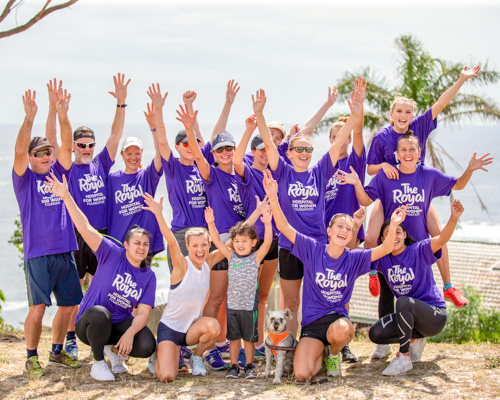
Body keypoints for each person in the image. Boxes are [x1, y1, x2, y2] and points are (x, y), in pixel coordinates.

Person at [336, 132, 493, 357]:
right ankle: (384, 344)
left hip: (416, 247)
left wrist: (469, 169)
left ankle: (416, 339)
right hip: (391, 244)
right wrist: (355, 183)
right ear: (396, 154)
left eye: (412, 149)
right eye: (404, 150)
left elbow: (457, 185)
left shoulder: (428, 175)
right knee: (388, 292)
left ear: (419, 153)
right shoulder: (386, 176)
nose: (408, 153)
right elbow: (365, 200)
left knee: (415, 294)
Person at [262, 169, 407, 381]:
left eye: (349, 229)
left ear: (351, 234)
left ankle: (334, 354)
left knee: (341, 330)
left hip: (336, 320)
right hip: (312, 324)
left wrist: (393, 225)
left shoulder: (354, 258)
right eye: (340, 226)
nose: (344, 230)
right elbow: (284, 226)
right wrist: (273, 197)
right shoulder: (312, 248)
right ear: (329, 231)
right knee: (302, 374)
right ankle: (320, 352)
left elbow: (384, 249)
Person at [365, 66, 482, 309]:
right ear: (391, 114)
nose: (403, 114)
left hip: (417, 196)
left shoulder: (418, 127)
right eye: (399, 111)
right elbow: (370, 169)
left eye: (408, 111)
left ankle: (448, 287)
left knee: (438, 237)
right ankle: (373, 271)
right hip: (389, 196)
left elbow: (441, 103)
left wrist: (461, 79)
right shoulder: (381, 137)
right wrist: (385, 165)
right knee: (371, 237)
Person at [253, 84, 363, 338]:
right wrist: (259, 114)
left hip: (317, 246)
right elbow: (269, 145)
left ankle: (332, 346)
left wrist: (355, 116)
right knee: (290, 305)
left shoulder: (320, 171)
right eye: (298, 149)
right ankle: (287, 348)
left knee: (325, 301)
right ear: (289, 154)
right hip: (290, 246)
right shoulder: (282, 171)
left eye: (308, 149)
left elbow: (337, 147)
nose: (304, 153)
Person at [44, 74, 129, 360]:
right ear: (73, 147)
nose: (86, 149)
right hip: (76, 234)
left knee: (101, 286)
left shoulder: (100, 162)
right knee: (75, 288)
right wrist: (56, 111)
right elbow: (53, 140)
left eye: (89, 144)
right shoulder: (67, 167)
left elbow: (116, 136)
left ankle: (98, 333)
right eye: (80, 145)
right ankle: (69, 338)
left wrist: (120, 103)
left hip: (101, 233)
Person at [44, 173, 156, 381]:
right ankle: (98, 362)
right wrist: (66, 196)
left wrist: (130, 334)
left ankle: (113, 351)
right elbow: (84, 227)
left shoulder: (148, 275)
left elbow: (142, 314)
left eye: (145, 244)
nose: (141, 248)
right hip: (90, 323)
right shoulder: (111, 253)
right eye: (137, 243)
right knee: (101, 314)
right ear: (126, 245)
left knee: (147, 344)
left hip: (119, 323)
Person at [13, 88, 82, 375]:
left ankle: (56, 351)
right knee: (38, 309)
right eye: (38, 153)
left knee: (68, 306)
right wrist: (30, 118)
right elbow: (18, 151)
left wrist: (63, 116)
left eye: (46, 152)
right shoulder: (24, 180)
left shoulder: (59, 173)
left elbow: (66, 146)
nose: (44, 156)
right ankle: (31, 357)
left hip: (64, 251)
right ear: (30, 157)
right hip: (38, 254)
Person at [177, 100, 246, 371]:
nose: (226, 152)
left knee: (235, 298)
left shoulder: (244, 173)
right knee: (216, 296)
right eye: (221, 149)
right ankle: (210, 349)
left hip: (242, 243)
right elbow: (197, 154)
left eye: (230, 147)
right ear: (214, 154)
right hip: (220, 238)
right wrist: (188, 125)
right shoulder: (211, 174)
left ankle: (233, 346)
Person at [369, 199, 465, 375]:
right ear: (383, 240)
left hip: (434, 315)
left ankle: (403, 358)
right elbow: (354, 255)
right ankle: (415, 339)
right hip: (410, 317)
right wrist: (356, 225)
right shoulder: (383, 260)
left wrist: (453, 218)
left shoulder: (419, 250)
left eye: (398, 231)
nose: (394, 236)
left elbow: (442, 238)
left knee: (403, 302)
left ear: (405, 234)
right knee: (375, 333)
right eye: (388, 234)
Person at [141, 193, 224, 382]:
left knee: (213, 327)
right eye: (195, 246)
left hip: (191, 330)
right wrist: (159, 214)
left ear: (209, 245)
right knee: (167, 377)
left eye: (204, 245)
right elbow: (171, 240)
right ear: (187, 246)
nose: (200, 250)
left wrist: (257, 214)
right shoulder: (182, 266)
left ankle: (196, 357)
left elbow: (231, 244)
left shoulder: (208, 262)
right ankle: (159, 352)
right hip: (170, 328)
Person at [205, 203, 272, 379]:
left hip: (250, 308)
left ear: (253, 242)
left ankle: (249, 366)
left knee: (249, 339)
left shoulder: (256, 258)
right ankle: (233, 366)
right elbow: (218, 242)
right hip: (233, 308)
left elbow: (269, 244)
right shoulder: (231, 256)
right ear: (233, 243)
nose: (240, 244)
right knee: (234, 339)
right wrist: (211, 223)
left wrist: (268, 223)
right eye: (237, 241)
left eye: (244, 241)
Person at [233, 119, 281, 363]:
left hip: (275, 239)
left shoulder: (278, 172)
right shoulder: (248, 173)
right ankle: (245, 345)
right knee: (249, 297)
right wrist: (248, 129)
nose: (264, 153)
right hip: (253, 242)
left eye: (268, 148)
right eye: (260, 149)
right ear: (254, 152)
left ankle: (260, 344)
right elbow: (236, 160)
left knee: (263, 295)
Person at [107, 96, 164, 263]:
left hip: (142, 246)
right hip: (118, 244)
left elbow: (160, 156)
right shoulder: (112, 179)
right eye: (129, 153)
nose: (133, 157)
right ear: (122, 155)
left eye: (137, 153)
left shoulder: (146, 176)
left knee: (141, 284)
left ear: (142, 154)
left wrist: (154, 128)